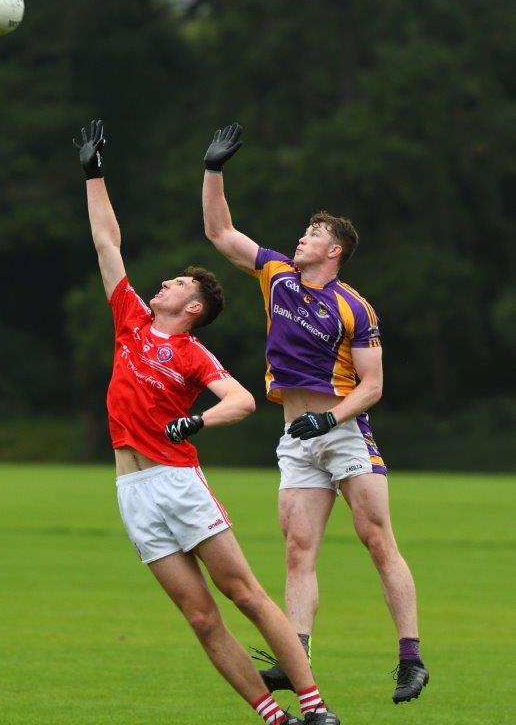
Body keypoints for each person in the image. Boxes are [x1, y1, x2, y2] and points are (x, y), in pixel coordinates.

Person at [73, 120, 340, 725]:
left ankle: (317, 707)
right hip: (133, 492)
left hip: (175, 480)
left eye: (178, 283)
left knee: (244, 593)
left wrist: (195, 423)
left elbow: (241, 401)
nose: (163, 282)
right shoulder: (131, 322)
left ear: (193, 308)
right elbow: (107, 244)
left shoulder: (192, 353)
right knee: (199, 617)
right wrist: (93, 174)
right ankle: (275, 718)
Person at [201, 123, 430, 705]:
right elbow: (221, 233)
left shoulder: (355, 307)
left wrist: (329, 422)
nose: (300, 239)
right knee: (298, 550)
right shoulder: (276, 274)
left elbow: (373, 386)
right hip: (295, 438)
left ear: (334, 251)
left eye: (312, 234)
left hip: (344, 433)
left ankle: (411, 658)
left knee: (377, 539)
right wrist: (213, 170)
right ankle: (295, 655)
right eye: (303, 232)